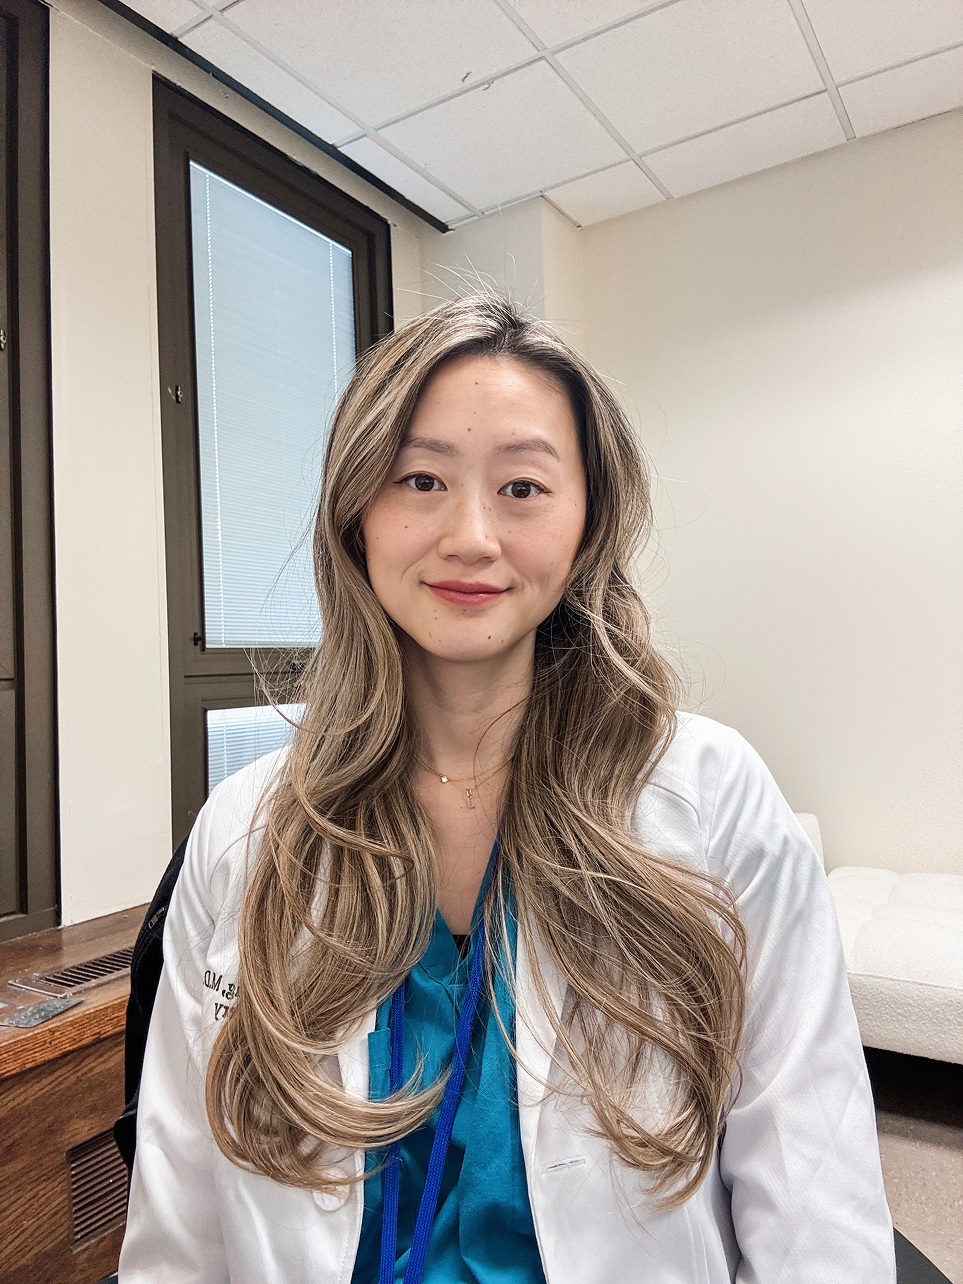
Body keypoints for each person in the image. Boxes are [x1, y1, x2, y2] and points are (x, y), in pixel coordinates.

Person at [119, 293, 896, 1283]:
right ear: (358, 514)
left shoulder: (713, 797)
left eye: (523, 488)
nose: (471, 536)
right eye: (420, 479)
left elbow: (818, 1207)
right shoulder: (246, 830)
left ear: (586, 521)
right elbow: (179, 1224)